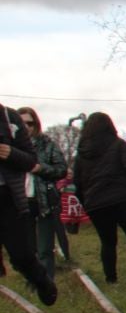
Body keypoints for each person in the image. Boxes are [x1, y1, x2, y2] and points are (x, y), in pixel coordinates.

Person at [68, 112, 126, 284]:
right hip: (124, 198)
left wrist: (86, 201)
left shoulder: (82, 154)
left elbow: (77, 183)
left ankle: (111, 279)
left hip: (96, 203)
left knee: (107, 242)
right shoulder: (118, 145)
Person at [0, 106, 58, 304]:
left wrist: (11, 153)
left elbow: (30, 160)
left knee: (22, 256)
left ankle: (42, 282)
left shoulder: (9, 117)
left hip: (8, 198)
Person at [14, 107, 68, 280]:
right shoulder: (10, 147)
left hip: (44, 200)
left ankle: (47, 284)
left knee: (45, 247)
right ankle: (34, 281)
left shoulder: (47, 143)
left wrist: (40, 168)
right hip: (19, 201)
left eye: (29, 123)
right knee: (27, 249)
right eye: (21, 123)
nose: (26, 127)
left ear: (35, 124)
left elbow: (62, 169)